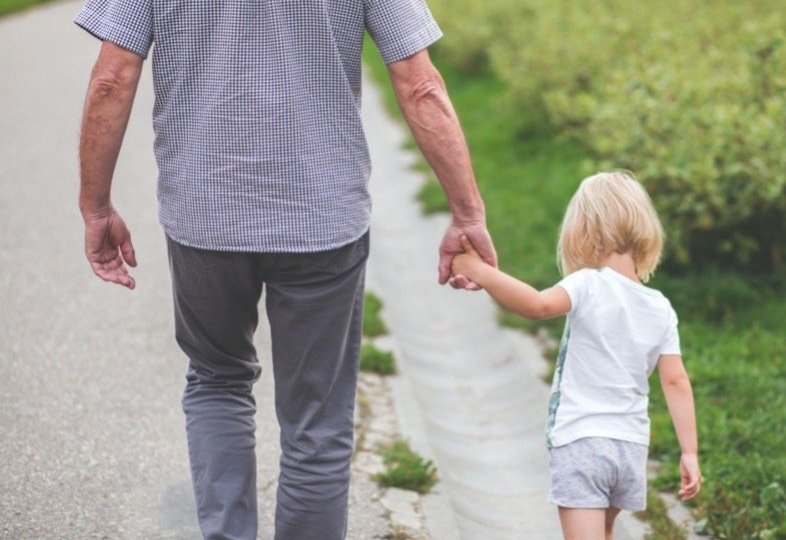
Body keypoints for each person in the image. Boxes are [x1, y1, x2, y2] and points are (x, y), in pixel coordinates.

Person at [75, 1, 496, 539]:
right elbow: (420, 85)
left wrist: (96, 205)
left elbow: (112, 78)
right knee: (317, 423)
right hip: (322, 219)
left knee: (216, 381)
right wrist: (467, 212)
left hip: (206, 216)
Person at [451, 171, 700, 540]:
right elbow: (676, 380)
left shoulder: (588, 284)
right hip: (630, 448)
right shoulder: (660, 306)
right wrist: (689, 452)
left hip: (583, 442)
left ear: (584, 231)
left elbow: (536, 305)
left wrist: (480, 271)